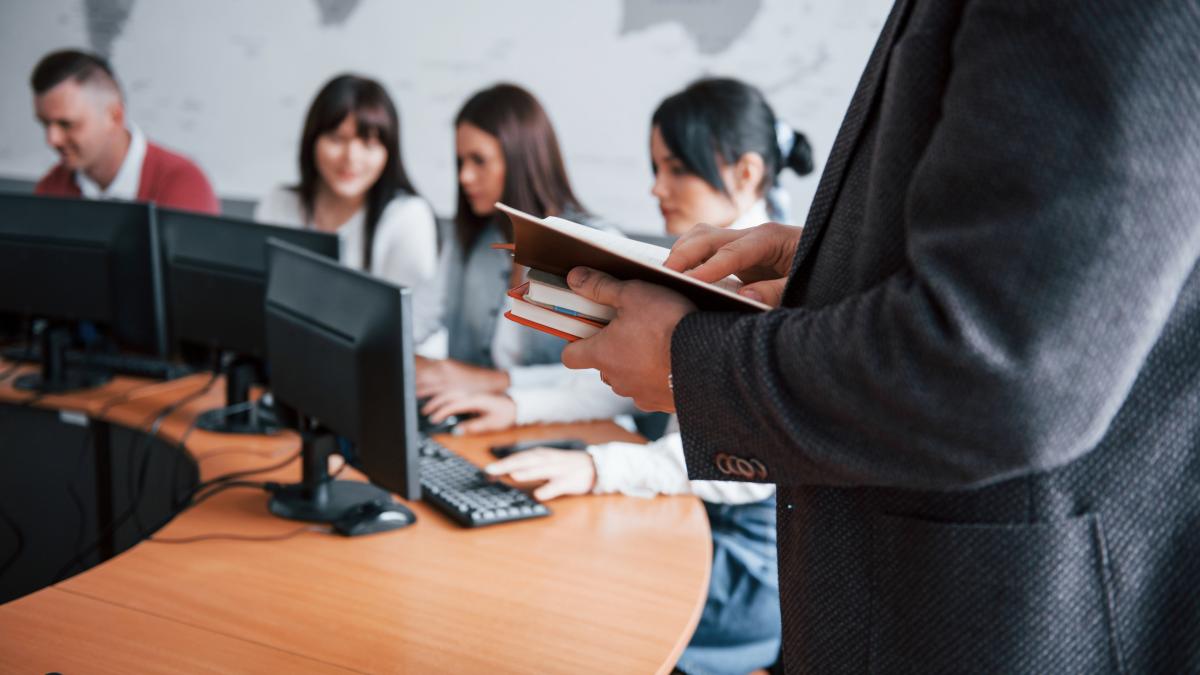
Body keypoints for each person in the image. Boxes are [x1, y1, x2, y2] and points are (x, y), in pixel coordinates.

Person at [555, 1, 1200, 672]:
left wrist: (684, 361)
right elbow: (1036, 263)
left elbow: (1005, 364)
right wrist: (828, 262)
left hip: (1004, 619)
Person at [424, 77, 814, 674]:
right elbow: (609, 375)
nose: (656, 188)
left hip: (738, 566)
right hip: (678, 519)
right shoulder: (699, 262)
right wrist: (514, 402)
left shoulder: (786, 291)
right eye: (654, 166)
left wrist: (594, 466)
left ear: (745, 172)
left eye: (675, 168)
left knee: (551, 587)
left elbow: (741, 471)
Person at [415, 83, 606, 401]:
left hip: (562, 436)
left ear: (521, 158)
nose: (464, 176)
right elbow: (415, 318)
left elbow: (607, 379)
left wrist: (495, 382)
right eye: (461, 161)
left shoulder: (595, 246)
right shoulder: (470, 239)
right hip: (474, 424)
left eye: (479, 160)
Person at [254, 74, 440, 347]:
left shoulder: (407, 216)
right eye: (337, 139)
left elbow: (406, 331)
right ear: (312, 140)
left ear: (389, 152)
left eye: (369, 143)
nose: (351, 157)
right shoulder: (279, 203)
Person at [31, 49, 218, 214]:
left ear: (114, 117)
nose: (52, 139)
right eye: (45, 124)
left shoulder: (183, 185)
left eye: (66, 124)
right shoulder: (50, 188)